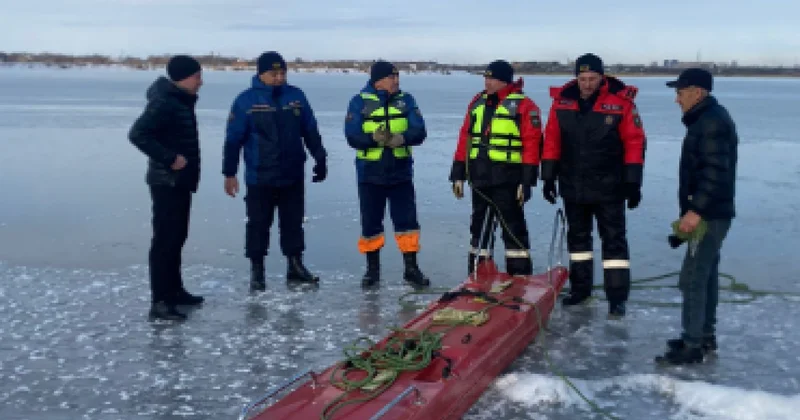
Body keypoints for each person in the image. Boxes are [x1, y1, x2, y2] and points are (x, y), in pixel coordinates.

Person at [540, 53, 646, 318]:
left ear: (602, 77)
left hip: (610, 186)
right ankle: (580, 289)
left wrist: (633, 182)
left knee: (614, 243)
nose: (587, 84)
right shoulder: (561, 102)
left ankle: (617, 297)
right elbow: (552, 138)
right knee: (578, 241)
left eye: (592, 79)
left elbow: (635, 142)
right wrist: (548, 176)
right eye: (582, 78)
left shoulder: (621, 103)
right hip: (573, 184)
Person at [223, 51, 327, 292]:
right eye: (274, 73)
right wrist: (229, 173)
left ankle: (295, 265)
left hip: (292, 172)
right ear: (261, 74)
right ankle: (257, 271)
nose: (280, 77)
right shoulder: (246, 101)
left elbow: (309, 129)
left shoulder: (296, 96)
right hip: (261, 175)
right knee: (259, 224)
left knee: (293, 222)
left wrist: (320, 157)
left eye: (283, 73)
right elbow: (233, 140)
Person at [655, 68, 738, 365]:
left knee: (693, 278)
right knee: (707, 274)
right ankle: (703, 334)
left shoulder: (711, 122)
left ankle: (692, 345)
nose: (677, 99)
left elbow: (715, 173)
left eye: (680, 92)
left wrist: (695, 211)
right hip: (713, 211)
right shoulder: (706, 119)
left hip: (709, 215)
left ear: (697, 92)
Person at [128, 55, 205, 321]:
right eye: (197, 76)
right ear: (183, 77)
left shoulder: (178, 100)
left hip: (179, 182)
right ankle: (160, 301)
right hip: (166, 182)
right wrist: (170, 158)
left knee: (177, 237)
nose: (201, 82)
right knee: (165, 241)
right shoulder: (164, 102)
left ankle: (174, 291)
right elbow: (137, 134)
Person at [448, 60, 542, 276]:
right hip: (479, 178)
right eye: (486, 78)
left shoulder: (525, 106)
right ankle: (477, 277)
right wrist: (458, 174)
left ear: (504, 81)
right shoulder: (477, 103)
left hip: (508, 180)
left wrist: (527, 182)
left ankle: (520, 279)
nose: (487, 82)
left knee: (513, 230)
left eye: (491, 78)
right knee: (479, 230)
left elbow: (532, 144)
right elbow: (465, 139)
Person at [344, 60, 430, 288]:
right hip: (370, 174)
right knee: (371, 224)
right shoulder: (359, 102)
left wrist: (402, 138)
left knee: (407, 223)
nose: (396, 81)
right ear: (378, 80)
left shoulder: (406, 100)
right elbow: (351, 136)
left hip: (400, 173)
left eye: (397, 77)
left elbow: (419, 130)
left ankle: (411, 269)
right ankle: (372, 271)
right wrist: (373, 139)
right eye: (392, 77)